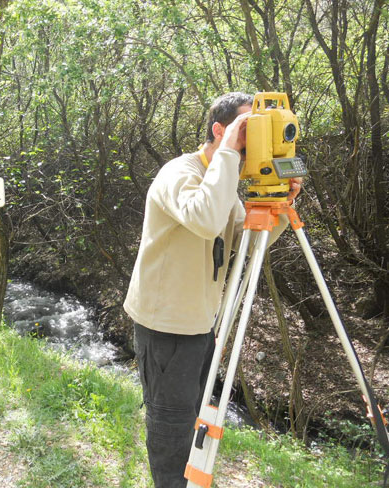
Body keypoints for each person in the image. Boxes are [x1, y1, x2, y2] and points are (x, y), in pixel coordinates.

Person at [123, 92, 302, 487]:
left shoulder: (223, 181)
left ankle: (187, 478)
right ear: (220, 130)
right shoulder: (179, 173)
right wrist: (229, 154)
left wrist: (280, 210)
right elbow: (205, 219)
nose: (249, 144)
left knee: (191, 414)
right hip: (166, 325)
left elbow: (249, 244)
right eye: (245, 132)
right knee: (171, 423)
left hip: (202, 323)